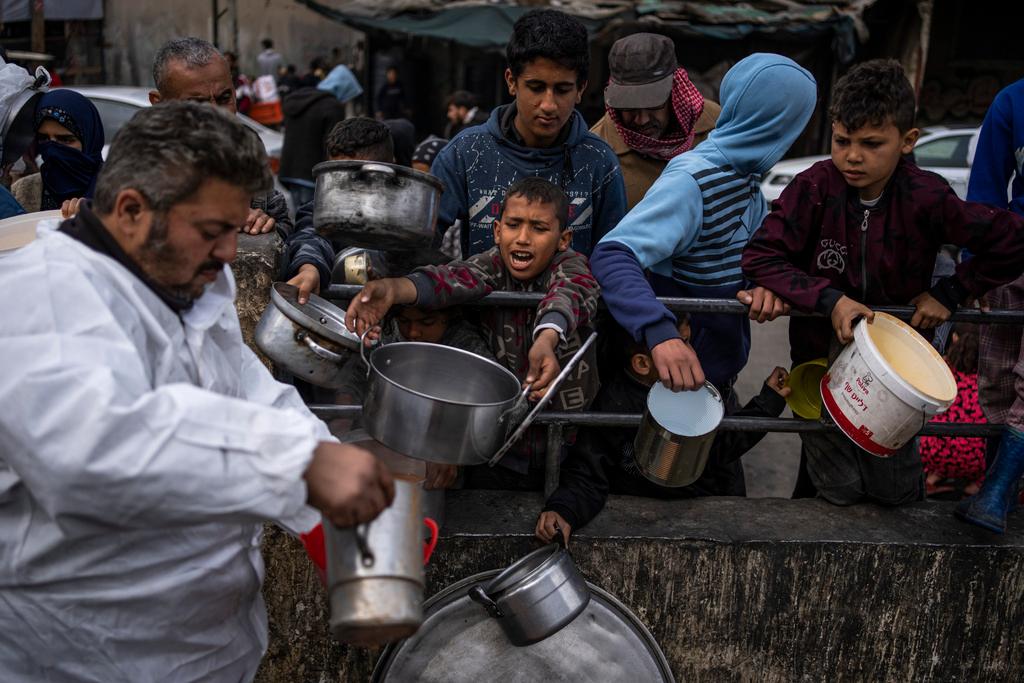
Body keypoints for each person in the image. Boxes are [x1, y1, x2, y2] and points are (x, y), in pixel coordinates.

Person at [0, 101, 394, 681]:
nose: (231, 253)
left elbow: (243, 387)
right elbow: (92, 452)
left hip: (210, 653)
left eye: (235, 230)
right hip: (85, 659)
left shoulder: (187, 277)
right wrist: (295, 462)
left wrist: (322, 490)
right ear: (132, 210)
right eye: (214, 232)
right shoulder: (45, 297)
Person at [740, 59, 1024, 508]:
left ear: (907, 141)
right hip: (819, 369)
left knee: (894, 491)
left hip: (899, 374)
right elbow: (760, 255)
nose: (853, 156)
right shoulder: (813, 188)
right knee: (835, 489)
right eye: (842, 141)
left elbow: (1011, 241)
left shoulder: (927, 196)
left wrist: (952, 292)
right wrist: (827, 298)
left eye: (872, 144)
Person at [590, 53, 816, 399]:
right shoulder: (692, 180)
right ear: (777, 126)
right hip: (670, 384)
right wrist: (661, 333)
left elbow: (751, 252)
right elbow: (612, 254)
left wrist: (762, 283)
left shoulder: (745, 178)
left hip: (714, 379)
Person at [346, 176, 600, 481]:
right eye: (513, 224)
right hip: (499, 442)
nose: (522, 238)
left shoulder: (571, 265)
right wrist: (394, 289)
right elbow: (450, 278)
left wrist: (547, 338)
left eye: (539, 228)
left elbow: (570, 293)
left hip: (566, 439)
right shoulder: (491, 266)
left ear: (563, 239)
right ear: (496, 230)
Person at [537, 319, 790, 544]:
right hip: (637, 511)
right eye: (683, 344)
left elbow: (724, 444)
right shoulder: (613, 404)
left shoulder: (698, 391)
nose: (692, 354)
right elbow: (588, 469)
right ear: (642, 363)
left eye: (689, 342)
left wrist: (767, 403)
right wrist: (564, 509)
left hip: (703, 503)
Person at [431, 9, 626, 257]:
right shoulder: (465, 153)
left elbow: (613, 256)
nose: (548, 105)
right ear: (512, 82)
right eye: (536, 87)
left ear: (580, 89)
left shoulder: (599, 161)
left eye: (562, 90)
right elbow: (421, 240)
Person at [956, 77, 1024, 532]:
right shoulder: (1012, 100)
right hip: (1011, 257)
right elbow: (985, 191)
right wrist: (973, 269)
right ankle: (1000, 489)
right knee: (996, 378)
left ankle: (996, 494)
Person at [150, 37, 292, 237]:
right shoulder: (142, 160)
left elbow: (283, 222)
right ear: (159, 104)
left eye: (224, 98)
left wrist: (266, 224)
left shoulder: (246, 143)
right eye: (197, 104)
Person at [591, 33, 721, 211]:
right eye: (629, 108)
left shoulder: (714, 123)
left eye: (653, 105)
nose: (642, 120)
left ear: (675, 93)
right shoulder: (596, 153)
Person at [281, 117, 395, 304]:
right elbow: (311, 235)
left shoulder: (407, 216)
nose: (346, 186)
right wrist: (309, 267)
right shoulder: (323, 208)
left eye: (358, 177)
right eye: (336, 175)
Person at [918, 324, 987, 498]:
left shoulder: (942, 369)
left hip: (933, 454)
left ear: (955, 338)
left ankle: (933, 478)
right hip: (975, 461)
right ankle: (974, 486)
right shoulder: (987, 379)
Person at [279, 63, 362, 207]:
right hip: (312, 173)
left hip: (289, 169)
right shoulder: (332, 106)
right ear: (343, 87)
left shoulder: (299, 98)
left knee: (299, 219)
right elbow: (332, 145)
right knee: (311, 221)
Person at [11, 89, 104, 213]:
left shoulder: (117, 191)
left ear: (90, 141)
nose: (52, 150)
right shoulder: (23, 191)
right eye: (44, 139)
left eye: (65, 140)